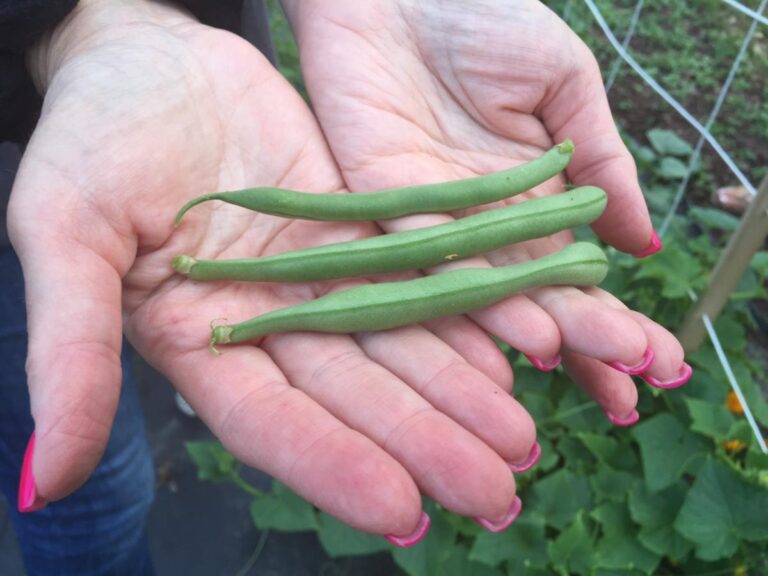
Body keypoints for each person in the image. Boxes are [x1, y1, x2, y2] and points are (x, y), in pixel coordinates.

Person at [0, 0, 691, 573]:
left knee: (108, 488)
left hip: (207, 65)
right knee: (100, 490)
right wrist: (57, 25)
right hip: (60, 145)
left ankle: (231, 317)